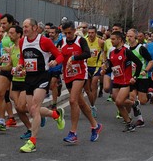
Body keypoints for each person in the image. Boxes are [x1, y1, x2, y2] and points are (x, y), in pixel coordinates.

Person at [17, 18, 65, 153]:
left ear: (35, 28)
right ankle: (55, 115)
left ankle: (32, 142)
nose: (24, 29)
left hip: (42, 77)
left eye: (27, 27)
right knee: (31, 110)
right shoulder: (22, 41)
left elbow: (59, 55)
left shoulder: (44, 41)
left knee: (35, 108)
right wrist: (20, 65)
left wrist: (55, 62)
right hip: (29, 78)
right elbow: (22, 57)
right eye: (23, 27)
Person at [60, 21, 102, 143]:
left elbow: (87, 54)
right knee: (81, 103)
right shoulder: (62, 42)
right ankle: (95, 126)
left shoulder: (81, 41)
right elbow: (57, 54)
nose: (68, 35)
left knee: (72, 100)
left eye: (69, 32)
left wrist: (74, 57)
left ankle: (73, 133)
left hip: (80, 73)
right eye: (65, 33)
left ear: (74, 31)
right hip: (68, 74)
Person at [103, 30, 143, 132]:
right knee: (117, 102)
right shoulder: (112, 52)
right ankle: (130, 120)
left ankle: (132, 111)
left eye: (113, 39)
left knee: (119, 101)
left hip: (125, 82)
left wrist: (135, 77)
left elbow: (139, 63)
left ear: (119, 39)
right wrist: (104, 70)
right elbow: (112, 66)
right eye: (110, 39)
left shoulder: (126, 51)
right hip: (116, 80)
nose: (111, 41)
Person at [84, 26, 104, 117]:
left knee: (94, 85)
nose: (90, 34)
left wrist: (104, 62)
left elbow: (105, 51)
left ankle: (92, 105)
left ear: (95, 33)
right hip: (87, 66)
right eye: (89, 33)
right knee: (87, 89)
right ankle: (92, 105)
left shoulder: (100, 42)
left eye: (92, 33)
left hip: (97, 66)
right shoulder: (84, 41)